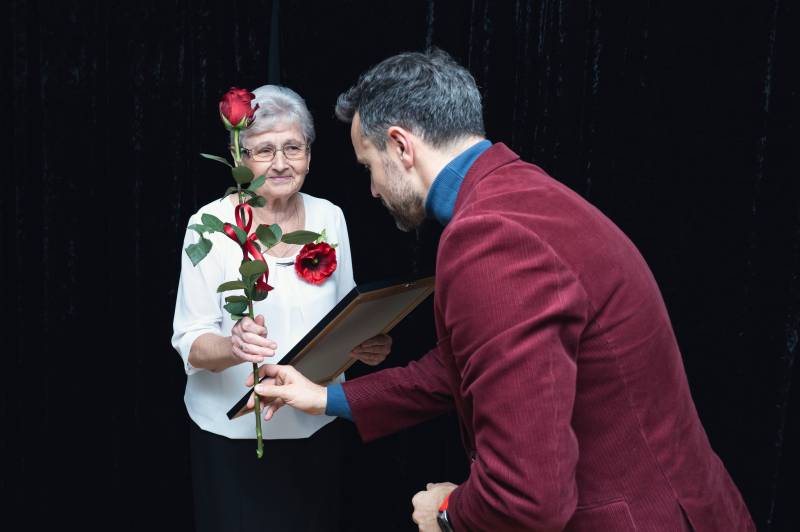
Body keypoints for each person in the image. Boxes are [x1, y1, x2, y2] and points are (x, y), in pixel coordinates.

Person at [248, 50, 756, 531]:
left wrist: (447, 513)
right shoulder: (520, 191)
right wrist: (325, 397)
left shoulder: (491, 237)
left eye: (369, 166)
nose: (373, 189)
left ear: (401, 147)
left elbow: (526, 496)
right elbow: (463, 363)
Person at [171, 84, 392, 532]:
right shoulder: (208, 226)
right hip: (232, 437)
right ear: (240, 157)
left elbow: (346, 314)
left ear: (309, 155)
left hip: (315, 426)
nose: (280, 163)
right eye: (264, 150)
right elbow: (189, 341)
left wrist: (365, 344)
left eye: (293, 147)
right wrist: (233, 347)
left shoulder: (329, 217)